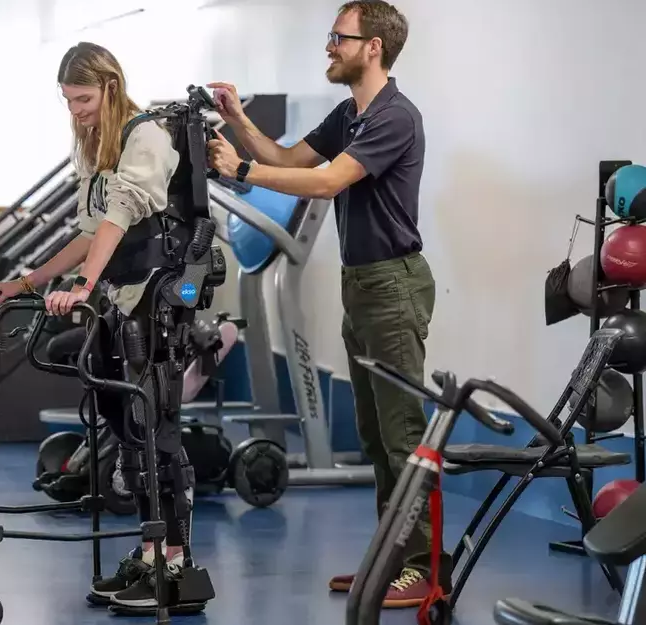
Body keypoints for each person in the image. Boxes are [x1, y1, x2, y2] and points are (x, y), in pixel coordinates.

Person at [206, 0, 451, 609]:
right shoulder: (351, 114)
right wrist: (238, 120)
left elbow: (325, 182)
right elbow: (291, 160)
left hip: (393, 283)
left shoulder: (395, 117)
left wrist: (239, 169)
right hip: (362, 283)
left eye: (338, 38)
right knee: (373, 435)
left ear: (373, 47)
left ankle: (422, 567)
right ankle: (391, 559)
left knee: (401, 435)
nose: (328, 47)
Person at [0, 41, 207, 613]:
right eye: (67, 101)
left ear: (110, 86)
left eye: (82, 98)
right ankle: (149, 554)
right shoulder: (102, 147)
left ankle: (176, 565)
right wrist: (30, 282)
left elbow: (119, 218)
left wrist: (83, 287)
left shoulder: (148, 138)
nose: (75, 111)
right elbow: (90, 234)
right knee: (129, 431)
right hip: (122, 298)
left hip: (156, 304)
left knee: (154, 428)